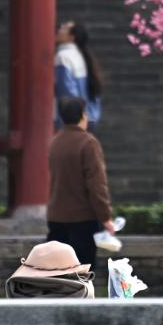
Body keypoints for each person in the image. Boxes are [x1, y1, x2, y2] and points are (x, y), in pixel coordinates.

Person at [47, 97, 115, 272]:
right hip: (82, 219)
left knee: (58, 273)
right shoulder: (88, 143)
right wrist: (106, 217)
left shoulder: (54, 142)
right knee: (82, 274)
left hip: (56, 218)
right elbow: (97, 185)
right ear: (82, 116)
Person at [54, 20, 104, 132]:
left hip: (71, 121)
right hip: (86, 117)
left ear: (71, 37)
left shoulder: (63, 57)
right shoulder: (80, 56)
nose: (59, 29)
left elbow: (66, 91)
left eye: (64, 28)